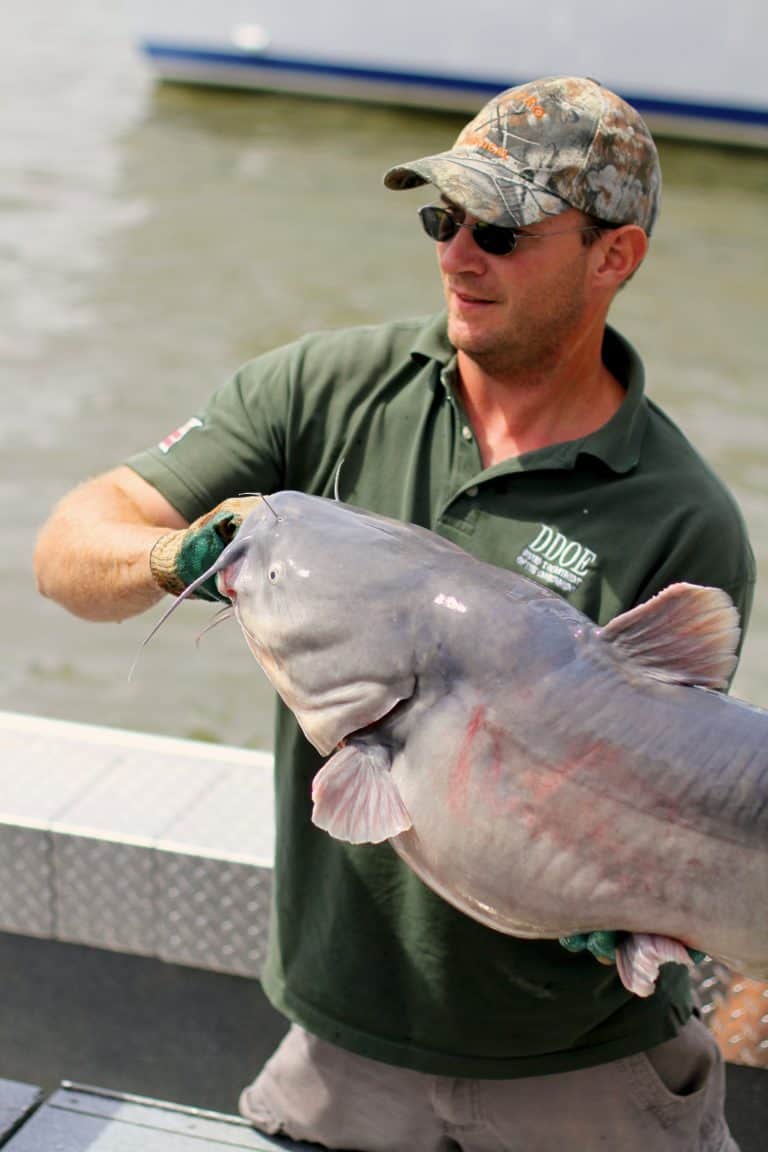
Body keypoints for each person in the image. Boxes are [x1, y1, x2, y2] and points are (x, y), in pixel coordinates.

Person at [34, 76, 754, 1151]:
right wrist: (172, 556)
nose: (459, 256)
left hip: (587, 1073)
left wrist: (637, 921)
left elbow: (682, 790)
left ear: (615, 257)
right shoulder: (323, 392)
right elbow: (67, 547)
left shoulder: (683, 516)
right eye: (442, 219)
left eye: (502, 231)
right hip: (343, 1047)